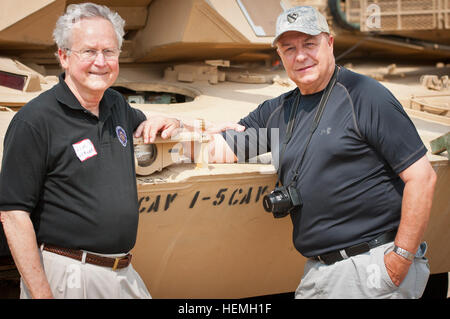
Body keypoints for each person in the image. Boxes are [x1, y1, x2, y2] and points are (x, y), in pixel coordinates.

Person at [154, 6, 437, 298]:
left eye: (309, 44)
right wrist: (173, 133)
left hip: (371, 268)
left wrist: (400, 259)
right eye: (289, 48)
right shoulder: (279, 112)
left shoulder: (364, 96)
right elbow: (219, 149)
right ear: (280, 56)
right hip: (320, 273)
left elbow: (422, 178)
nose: (300, 56)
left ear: (329, 44)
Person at [0, 3, 178, 299]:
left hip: (120, 273)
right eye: (89, 51)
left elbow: (144, 124)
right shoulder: (35, 121)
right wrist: (42, 294)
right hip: (69, 276)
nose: (101, 61)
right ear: (64, 56)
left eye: (109, 51)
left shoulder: (115, 104)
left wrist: (169, 119)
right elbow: (13, 214)